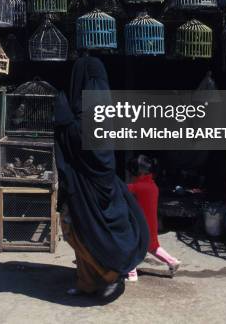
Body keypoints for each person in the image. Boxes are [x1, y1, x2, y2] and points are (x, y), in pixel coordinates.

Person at [54, 56, 149, 301]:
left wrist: (64, 119)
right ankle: (87, 282)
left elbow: (87, 144)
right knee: (78, 230)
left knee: (84, 234)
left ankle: (109, 276)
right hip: (85, 182)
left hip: (93, 185)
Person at [127, 154, 181, 282]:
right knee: (153, 247)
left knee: (131, 246)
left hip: (140, 225)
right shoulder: (153, 186)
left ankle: (131, 273)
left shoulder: (135, 187)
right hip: (151, 223)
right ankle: (172, 261)